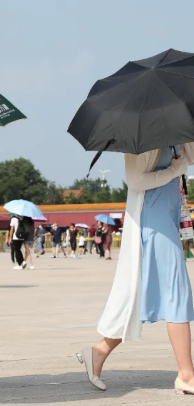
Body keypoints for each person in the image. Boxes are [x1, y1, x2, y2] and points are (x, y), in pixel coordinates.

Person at [77, 144, 194, 394]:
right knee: (177, 290)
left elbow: (190, 160)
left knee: (139, 295)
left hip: (169, 216)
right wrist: (174, 169)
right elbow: (136, 181)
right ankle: (186, 374)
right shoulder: (143, 142)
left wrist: (185, 143)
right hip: (153, 219)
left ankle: (98, 352)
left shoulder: (175, 134)